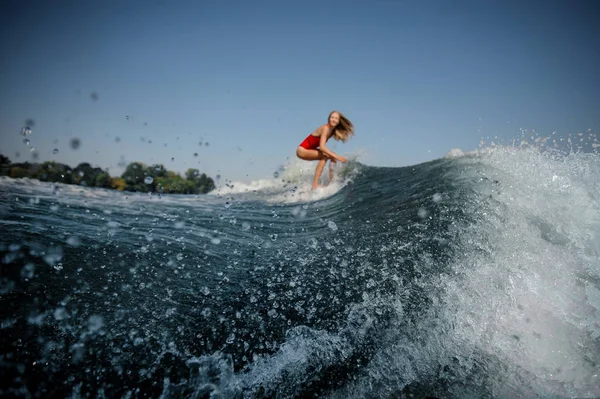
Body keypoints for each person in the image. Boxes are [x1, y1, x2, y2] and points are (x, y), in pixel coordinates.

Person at [296, 110, 354, 190]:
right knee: (326, 155)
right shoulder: (325, 128)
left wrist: (334, 156)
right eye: (332, 117)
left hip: (309, 149)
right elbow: (322, 147)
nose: (333, 119)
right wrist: (338, 157)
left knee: (331, 155)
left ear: (338, 121)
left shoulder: (332, 130)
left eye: (336, 118)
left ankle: (332, 180)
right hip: (302, 150)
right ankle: (315, 184)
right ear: (329, 118)